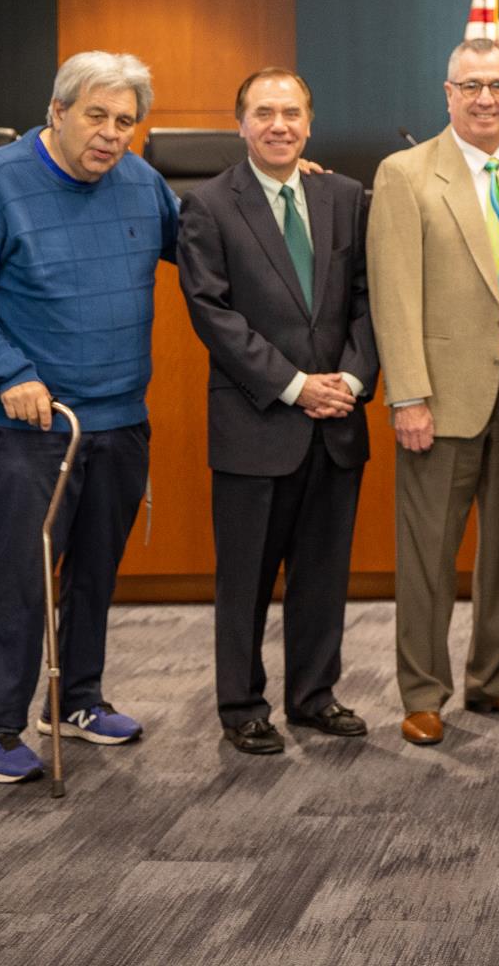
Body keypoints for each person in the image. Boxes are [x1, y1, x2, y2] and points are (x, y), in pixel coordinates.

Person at [0, 51, 179, 784]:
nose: (111, 135)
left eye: (126, 122)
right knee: (21, 575)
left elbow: (206, 250)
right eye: (96, 116)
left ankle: (75, 700)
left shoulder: (142, 183)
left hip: (121, 416)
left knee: (95, 572)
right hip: (35, 426)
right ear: (57, 111)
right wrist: (8, 372)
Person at [177, 67, 378, 756]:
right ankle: (242, 705)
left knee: (323, 574)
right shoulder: (208, 205)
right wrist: (295, 384)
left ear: (310, 123)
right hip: (257, 423)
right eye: (264, 113)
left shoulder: (345, 196)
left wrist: (351, 379)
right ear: (240, 124)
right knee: (246, 580)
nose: (279, 125)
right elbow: (212, 314)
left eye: (292, 112)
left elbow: (367, 298)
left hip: (337, 423)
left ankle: (315, 696)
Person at [369, 39, 499, 745]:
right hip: (441, 396)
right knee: (428, 551)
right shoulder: (406, 174)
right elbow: (393, 293)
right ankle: (423, 691)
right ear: (446, 93)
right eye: (472, 85)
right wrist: (407, 395)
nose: (487, 99)